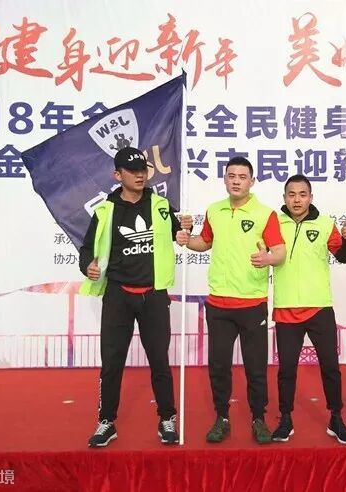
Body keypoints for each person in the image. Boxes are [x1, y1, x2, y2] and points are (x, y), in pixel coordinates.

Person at [79, 146, 190, 448]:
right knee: (112, 362)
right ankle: (106, 421)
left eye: (143, 170)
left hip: (153, 295)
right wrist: (87, 265)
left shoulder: (161, 205)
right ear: (118, 175)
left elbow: (179, 234)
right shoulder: (105, 210)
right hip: (118, 296)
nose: (140, 175)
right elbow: (87, 249)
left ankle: (167, 418)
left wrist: (184, 232)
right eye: (132, 171)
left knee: (159, 361)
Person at [177, 156, 286, 444]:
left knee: (255, 368)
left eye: (242, 176)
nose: (236, 181)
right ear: (225, 179)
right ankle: (222, 417)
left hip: (252, 304)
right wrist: (186, 238)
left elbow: (279, 251)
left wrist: (268, 258)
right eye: (231, 176)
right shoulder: (214, 210)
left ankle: (258, 419)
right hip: (218, 304)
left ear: (252, 181)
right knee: (219, 366)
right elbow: (204, 242)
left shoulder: (265, 214)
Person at [270, 175, 346, 444]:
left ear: (311, 197)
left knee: (330, 366)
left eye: (302, 194)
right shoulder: (273, 223)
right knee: (286, 369)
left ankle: (336, 418)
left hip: (319, 307)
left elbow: (343, 256)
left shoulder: (325, 224)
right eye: (291, 194)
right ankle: (285, 419)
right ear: (284, 197)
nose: (297, 200)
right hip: (286, 307)